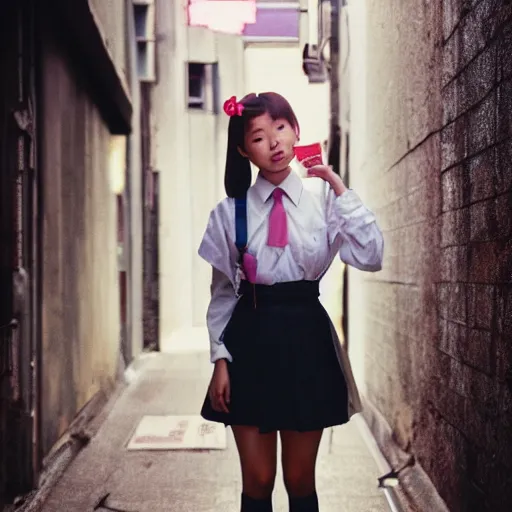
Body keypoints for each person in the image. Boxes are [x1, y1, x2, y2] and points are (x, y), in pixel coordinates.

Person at [198, 92, 384, 512]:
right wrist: (220, 359)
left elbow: (371, 256)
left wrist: (337, 184)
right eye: (259, 137)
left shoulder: (325, 202)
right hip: (249, 342)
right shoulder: (230, 214)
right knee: (259, 481)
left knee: (300, 480)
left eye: (280, 128)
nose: (275, 143)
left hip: (306, 340)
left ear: (296, 130)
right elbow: (223, 294)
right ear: (245, 150)